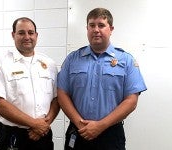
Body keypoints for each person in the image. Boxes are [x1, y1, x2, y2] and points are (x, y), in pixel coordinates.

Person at [57, 8, 147, 150]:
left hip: (110, 134)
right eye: (92, 25)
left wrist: (101, 125)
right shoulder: (72, 59)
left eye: (101, 25)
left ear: (111, 29)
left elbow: (131, 101)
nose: (96, 30)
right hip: (79, 131)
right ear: (87, 29)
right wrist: (80, 124)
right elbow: (62, 94)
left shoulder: (126, 60)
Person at [0, 17, 59, 150]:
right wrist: (34, 124)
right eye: (21, 33)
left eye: (30, 32)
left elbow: (57, 98)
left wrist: (45, 124)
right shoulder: (0, 63)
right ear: (13, 35)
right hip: (14, 136)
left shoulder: (49, 64)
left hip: (43, 134)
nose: (27, 37)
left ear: (36, 35)